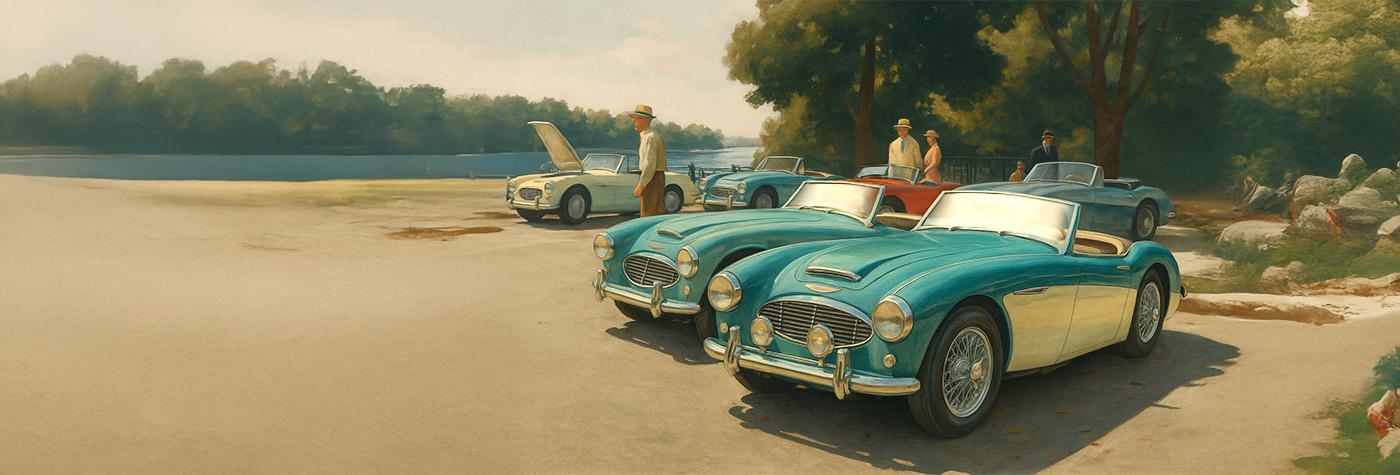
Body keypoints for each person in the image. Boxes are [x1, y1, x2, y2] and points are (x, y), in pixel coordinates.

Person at [629, 104, 668, 216]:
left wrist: (641, 185)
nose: (633, 122)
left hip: (652, 179)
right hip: (657, 177)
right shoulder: (650, 135)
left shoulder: (650, 137)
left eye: (636, 119)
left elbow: (649, 164)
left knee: (648, 213)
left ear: (645, 120)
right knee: (658, 211)